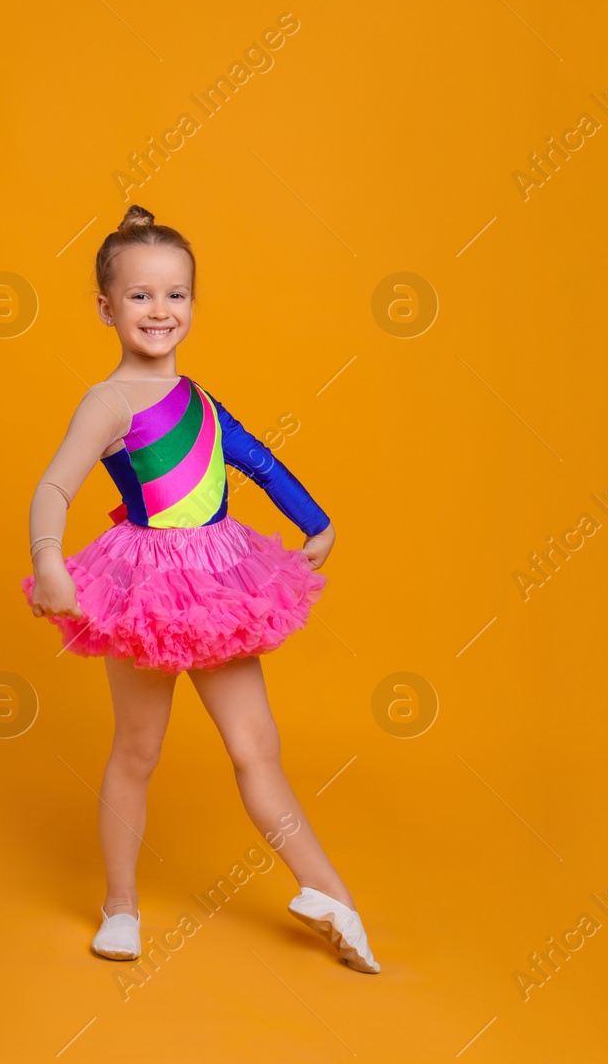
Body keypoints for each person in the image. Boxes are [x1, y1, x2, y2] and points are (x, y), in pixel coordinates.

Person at [20, 205, 378, 973]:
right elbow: (54, 486)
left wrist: (317, 524)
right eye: (141, 296)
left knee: (259, 749)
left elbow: (258, 462)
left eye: (175, 294)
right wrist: (49, 558)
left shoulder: (201, 400)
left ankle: (331, 895)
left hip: (218, 582)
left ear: (192, 303)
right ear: (106, 307)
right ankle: (121, 906)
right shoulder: (108, 402)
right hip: (146, 586)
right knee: (139, 750)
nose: (160, 311)